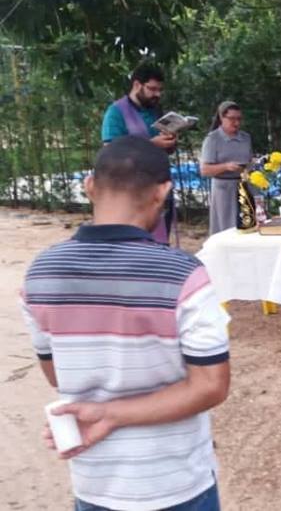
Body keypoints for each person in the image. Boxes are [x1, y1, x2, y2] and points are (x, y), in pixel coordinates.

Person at [21, 136, 230, 510]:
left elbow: (56, 374)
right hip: (177, 480)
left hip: (95, 482)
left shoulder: (41, 274)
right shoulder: (183, 274)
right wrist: (111, 415)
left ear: (89, 186)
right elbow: (211, 385)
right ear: (162, 192)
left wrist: (105, 410)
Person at [101, 64, 178, 244]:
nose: (157, 94)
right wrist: (151, 144)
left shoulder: (155, 110)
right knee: (134, 243)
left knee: (160, 242)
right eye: (152, 89)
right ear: (137, 85)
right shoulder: (116, 112)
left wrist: (170, 142)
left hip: (159, 187)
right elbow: (111, 152)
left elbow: (163, 149)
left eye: (160, 90)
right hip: (130, 191)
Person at [200, 101, 252, 234]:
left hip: (244, 186)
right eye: (232, 119)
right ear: (222, 118)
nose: (236, 123)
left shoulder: (245, 138)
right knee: (226, 228)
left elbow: (249, 160)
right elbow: (204, 170)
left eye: (239, 119)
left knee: (247, 224)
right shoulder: (213, 139)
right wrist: (226, 166)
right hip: (223, 189)